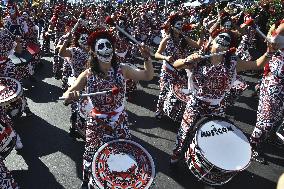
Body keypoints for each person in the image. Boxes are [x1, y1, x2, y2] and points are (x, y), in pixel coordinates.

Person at [169, 28, 277, 164]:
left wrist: (269, 52)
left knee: (215, 137)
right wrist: (187, 60)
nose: (222, 41)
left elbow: (256, 65)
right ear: (212, 41)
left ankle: (205, 160)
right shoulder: (200, 57)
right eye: (220, 38)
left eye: (227, 40)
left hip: (216, 106)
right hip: (195, 102)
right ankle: (177, 154)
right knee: (184, 131)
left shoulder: (232, 62)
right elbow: (176, 65)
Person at [61, 30, 153, 188]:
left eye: (108, 45)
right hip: (97, 121)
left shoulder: (123, 69)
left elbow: (147, 76)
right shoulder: (87, 74)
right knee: (91, 155)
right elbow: (67, 94)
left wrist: (146, 58)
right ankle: (87, 181)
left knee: (124, 154)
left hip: (119, 120)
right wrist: (72, 94)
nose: (106, 49)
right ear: (94, 53)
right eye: (101, 47)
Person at [154, 13, 202, 122]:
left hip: (181, 70)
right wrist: (165, 57)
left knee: (181, 92)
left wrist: (201, 33)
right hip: (168, 70)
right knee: (164, 91)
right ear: (172, 26)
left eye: (181, 25)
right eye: (178, 25)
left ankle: (175, 111)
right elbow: (156, 54)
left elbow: (197, 45)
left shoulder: (184, 38)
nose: (180, 27)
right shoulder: (167, 39)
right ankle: (159, 110)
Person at [250, 20, 284, 163]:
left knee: (277, 116)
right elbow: (274, 39)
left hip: (281, 83)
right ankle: (251, 147)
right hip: (275, 81)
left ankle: (269, 137)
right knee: (266, 120)